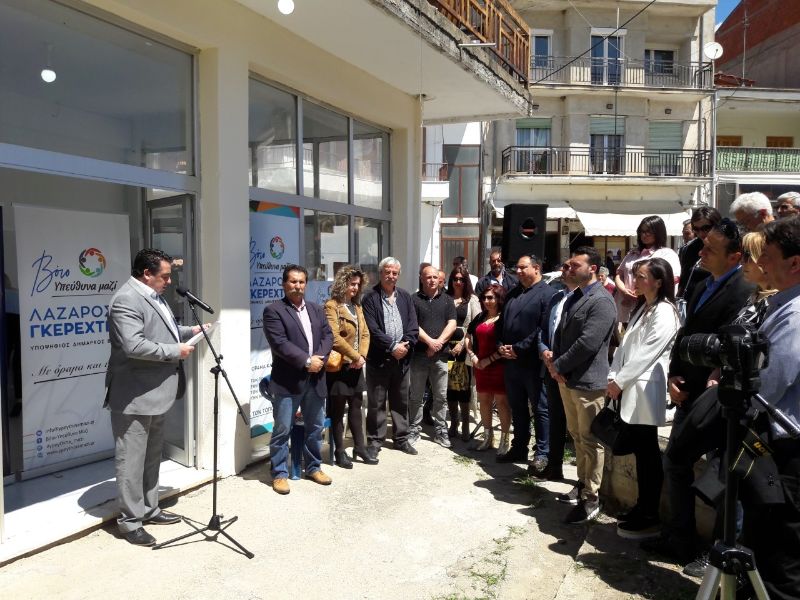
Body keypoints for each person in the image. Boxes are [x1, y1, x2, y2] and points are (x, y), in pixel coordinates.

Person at [645, 219, 754, 572]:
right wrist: (673, 376)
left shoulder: (743, 290)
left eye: (710, 248)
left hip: (717, 399)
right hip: (686, 392)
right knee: (675, 462)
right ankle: (679, 537)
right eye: (703, 245)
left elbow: (732, 344)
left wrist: (714, 380)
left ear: (735, 256)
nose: (701, 252)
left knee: (722, 479)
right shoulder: (704, 283)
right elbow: (686, 334)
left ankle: (719, 553)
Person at [105, 249, 205, 546]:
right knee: (131, 461)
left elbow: (163, 331)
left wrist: (190, 331)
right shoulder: (126, 299)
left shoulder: (153, 295)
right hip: (135, 395)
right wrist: (177, 351)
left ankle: (149, 509)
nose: (169, 281)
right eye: (165, 276)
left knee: (151, 457)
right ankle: (130, 522)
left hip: (157, 392)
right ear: (146, 274)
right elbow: (134, 346)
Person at [744, 215, 800, 598]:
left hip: (787, 455)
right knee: (765, 543)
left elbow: (766, 385)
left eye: (769, 256)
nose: (761, 263)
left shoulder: (795, 315)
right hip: (776, 449)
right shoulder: (784, 304)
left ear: (794, 262)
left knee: (782, 558)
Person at [607, 257, 680, 540]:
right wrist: (614, 376)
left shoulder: (665, 311)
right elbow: (625, 347)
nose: (634, 281)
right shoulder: (642, 308)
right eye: (635, 275)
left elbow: (648, 352)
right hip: (631, 388)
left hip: (645, 391)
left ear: (658, 282)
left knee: (648, 453)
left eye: (641, 276)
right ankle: (642, 506)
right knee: (641, 452)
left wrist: (620, 381)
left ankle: (649, 513)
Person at [546, 246, 617, 524]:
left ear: (593, 269)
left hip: (588, 382)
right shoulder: (576, 296)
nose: (569, 268)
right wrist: (556, 364)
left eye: (576, 265)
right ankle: (582, 482)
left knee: (590, 440)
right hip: (568, 380)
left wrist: (559, 365)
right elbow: (561, 335)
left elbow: (588, 342)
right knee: (577, 436)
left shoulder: (602, 301)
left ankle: (592, 497)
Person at [263, 264, 334, 495]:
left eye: (301, 282)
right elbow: (280, 343)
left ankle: (313, 467)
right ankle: (279, 473)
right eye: (293, 281)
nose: (298, 286)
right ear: (284, 284)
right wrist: (306, 361)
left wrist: (320, 358)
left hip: (316, 379)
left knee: (315, 427)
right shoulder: (274, 311)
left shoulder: (316, 309)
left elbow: (328, 335)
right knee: (283, 429)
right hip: (288, 381)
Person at [496, 254, 556, 467]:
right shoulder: (513, 293)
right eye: (517, 268)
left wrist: (519, 348)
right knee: (517, 407)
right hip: (510, 362)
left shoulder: (548, 294)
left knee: (540, 408)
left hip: (532, 362)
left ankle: (542, 452)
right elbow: (501, 323)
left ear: (536, 268)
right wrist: (500, 345)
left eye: (523, 268)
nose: (518, 272)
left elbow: (543, 328)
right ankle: (519, 447)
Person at [362, 257, 419, 459]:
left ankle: (401, 439)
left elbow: (413, 325)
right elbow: (372, 329)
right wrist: (392, 346)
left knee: (401, 401)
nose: (391, 276)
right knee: (377, 403)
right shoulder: (370, 298)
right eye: (387, 272)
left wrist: (406, 345)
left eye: (395, 273)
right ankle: (375, 441)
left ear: (398, 275)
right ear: (381, 273)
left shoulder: (405, 296)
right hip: (379, 359)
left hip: (402, 360)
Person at [324, 265, 376, 468]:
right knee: (337, 410)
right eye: (352, 284)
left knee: (356, 406)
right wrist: (354, 356)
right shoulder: (332, 306)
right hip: (339, 367)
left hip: (356, 366)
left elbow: (365, 333)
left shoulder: (357, 306)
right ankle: (339, 451)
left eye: (358, 285)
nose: (355, 288)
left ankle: (360, 447)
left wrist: (361, 356)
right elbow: (334, 337)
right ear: (342, 283)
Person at [536, 262, 576, 481]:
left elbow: (584, 339)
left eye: (570, 267)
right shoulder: (556, 298)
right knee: (555, 419)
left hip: (571, 370)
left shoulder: (584, 299)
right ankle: (554, 466)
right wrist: (544, 351)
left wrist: (560, 363)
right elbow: (543, 330)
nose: (564, 271)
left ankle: (584, 482)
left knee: (578, 428)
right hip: (551, 367)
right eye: (564, 267)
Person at [409, 265, 457, 448]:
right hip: (419, 355)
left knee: (441, 396)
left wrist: (437, 344)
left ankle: (440, 431)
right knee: (416, 396)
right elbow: (413, 325)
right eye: (428, 277)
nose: (431, 280)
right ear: (421, 278)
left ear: (439, 279)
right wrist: (430, 342)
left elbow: (452, 324)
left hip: (440, 357)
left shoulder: (447, 300)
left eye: (435, 277)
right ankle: (414, 429)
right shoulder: (414, 299)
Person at [466, 284, 510, 452]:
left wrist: (489, 360)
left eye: (490, 297)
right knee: (483, 402)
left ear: (499, 298)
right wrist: (473, 355)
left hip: (499, 367)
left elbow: (505, 345)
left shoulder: (504, 318)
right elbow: (468, 336)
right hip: (480, 366)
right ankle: (487, 438)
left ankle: (504, 441)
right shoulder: (480, 316)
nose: (486, 301)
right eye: (484, 298)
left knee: (502, 403)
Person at [614, 216, 681, 326]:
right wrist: (624, 291)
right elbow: (619, 274)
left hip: (650, 306)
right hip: (626, 305)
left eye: (648, 231)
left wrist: (642, 293)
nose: (644, 235)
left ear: (658, 232)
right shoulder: (632, 253)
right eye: (642, 231)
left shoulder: (667, 254)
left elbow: (671, 280)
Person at [445, 266, 481, 442]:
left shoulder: (472, 300)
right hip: (446, 349)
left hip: (464, 350)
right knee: (449, 389)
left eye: (461, 279)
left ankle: (466, 424)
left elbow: (477, 325)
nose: (458, 282)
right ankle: (454, 423)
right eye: (455, 279)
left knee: (464, 389)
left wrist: (462, 344)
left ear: (466, 281)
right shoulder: (445, 298)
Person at [677, 206, 722, 301]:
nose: (701, 233)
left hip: (713, 300)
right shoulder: (689, 248)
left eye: (706, 228)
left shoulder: (725, 247)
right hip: (688, 302)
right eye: (696, 229)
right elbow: (684, 278)